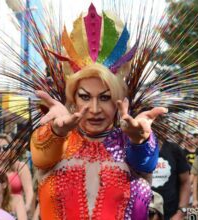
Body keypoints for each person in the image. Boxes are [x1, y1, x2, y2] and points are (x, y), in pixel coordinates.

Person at [28, 5, 167, 219]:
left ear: (119, 100)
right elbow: (40, 155)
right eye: (85, 96)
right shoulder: (57, 142)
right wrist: (55, 132)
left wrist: (140, 140)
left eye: (105, 97)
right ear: (72, 98)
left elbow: (145, 162)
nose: (94, 110)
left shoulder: (130, 145)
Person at [151, 139, 191, 220]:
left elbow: (185, 182)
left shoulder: (174, 149)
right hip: (146, 214)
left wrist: (181, 213)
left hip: (172, 215)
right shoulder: (137, 152)